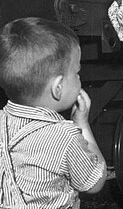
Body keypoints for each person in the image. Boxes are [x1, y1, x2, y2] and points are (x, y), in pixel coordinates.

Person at [0, 17, 107, 209]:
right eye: (77, 72)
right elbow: (95, 181)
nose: (79, 78)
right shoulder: (64, 137)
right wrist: (82, 123)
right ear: (58, 88)